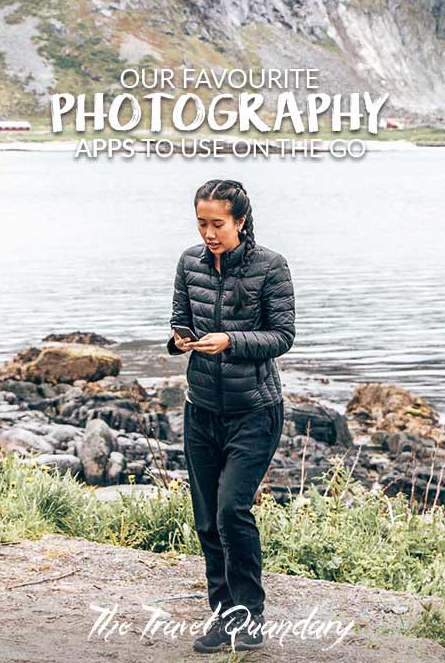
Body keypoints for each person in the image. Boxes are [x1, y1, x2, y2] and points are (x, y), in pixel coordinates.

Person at [166, 178, 295, 653]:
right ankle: (223, 616)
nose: (208, 233)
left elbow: (282, 336)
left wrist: (231, 341)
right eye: (201, 223)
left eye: (217, 223)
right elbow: (180, 318)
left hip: (255, 411)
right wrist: (179, 340)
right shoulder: (188, 263)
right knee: (205, 519)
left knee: (230, 511)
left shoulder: (271, 267)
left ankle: (251, 616)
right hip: (201, 409)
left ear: (240, 220)